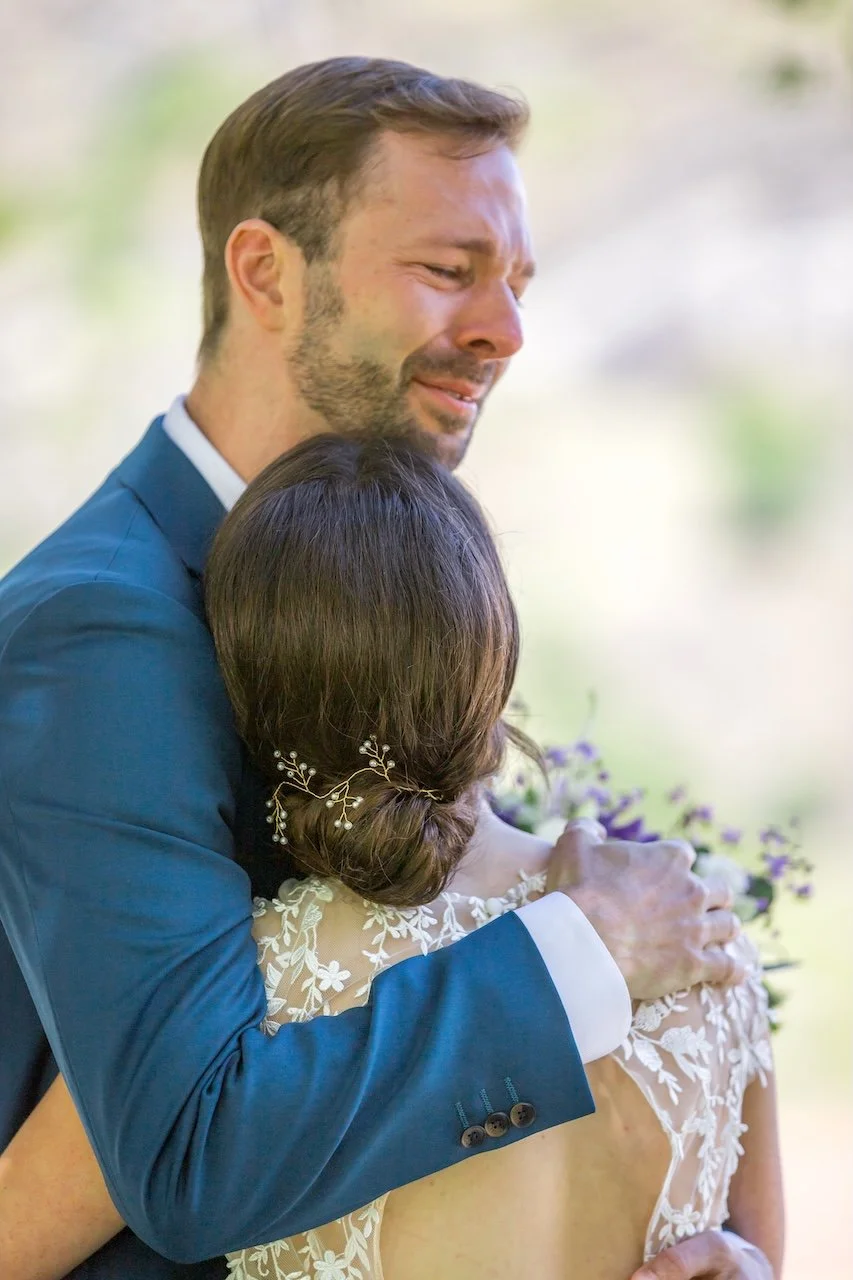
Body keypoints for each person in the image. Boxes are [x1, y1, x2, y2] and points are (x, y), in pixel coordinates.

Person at [0, 58, 752, 1279]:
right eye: (450, 270)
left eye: (516, 283)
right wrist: (585, 947)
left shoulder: (401, 579)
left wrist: (709, 1246)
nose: (506, 331)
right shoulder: (106, 628)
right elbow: (187, 1148)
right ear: (265, 273)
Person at [1, 438, 783, 1280]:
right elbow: (751, 1250)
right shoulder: (704, 941)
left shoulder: (252, 996)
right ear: (496, 656)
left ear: (251, 705)